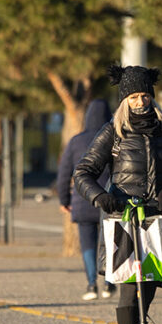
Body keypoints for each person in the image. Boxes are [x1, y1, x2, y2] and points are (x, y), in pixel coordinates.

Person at [73, 65, 162, 324]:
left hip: (155, 220)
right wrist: (101, 198)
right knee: (128, 289)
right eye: (134, 97)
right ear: (125, 101)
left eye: (144, 95)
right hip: (123, 220)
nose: (140, 102)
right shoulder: (113, 133)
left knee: (149, 286)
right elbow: (83, 173)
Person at [57, 99, 117, 301]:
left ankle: (92, 284)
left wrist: (64, 199)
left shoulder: (76, 141)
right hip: (110, 200)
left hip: (83, 201)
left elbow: (65, 173)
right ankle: (109, 283)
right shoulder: (115, 138)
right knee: (110, 242)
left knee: (88, 244)